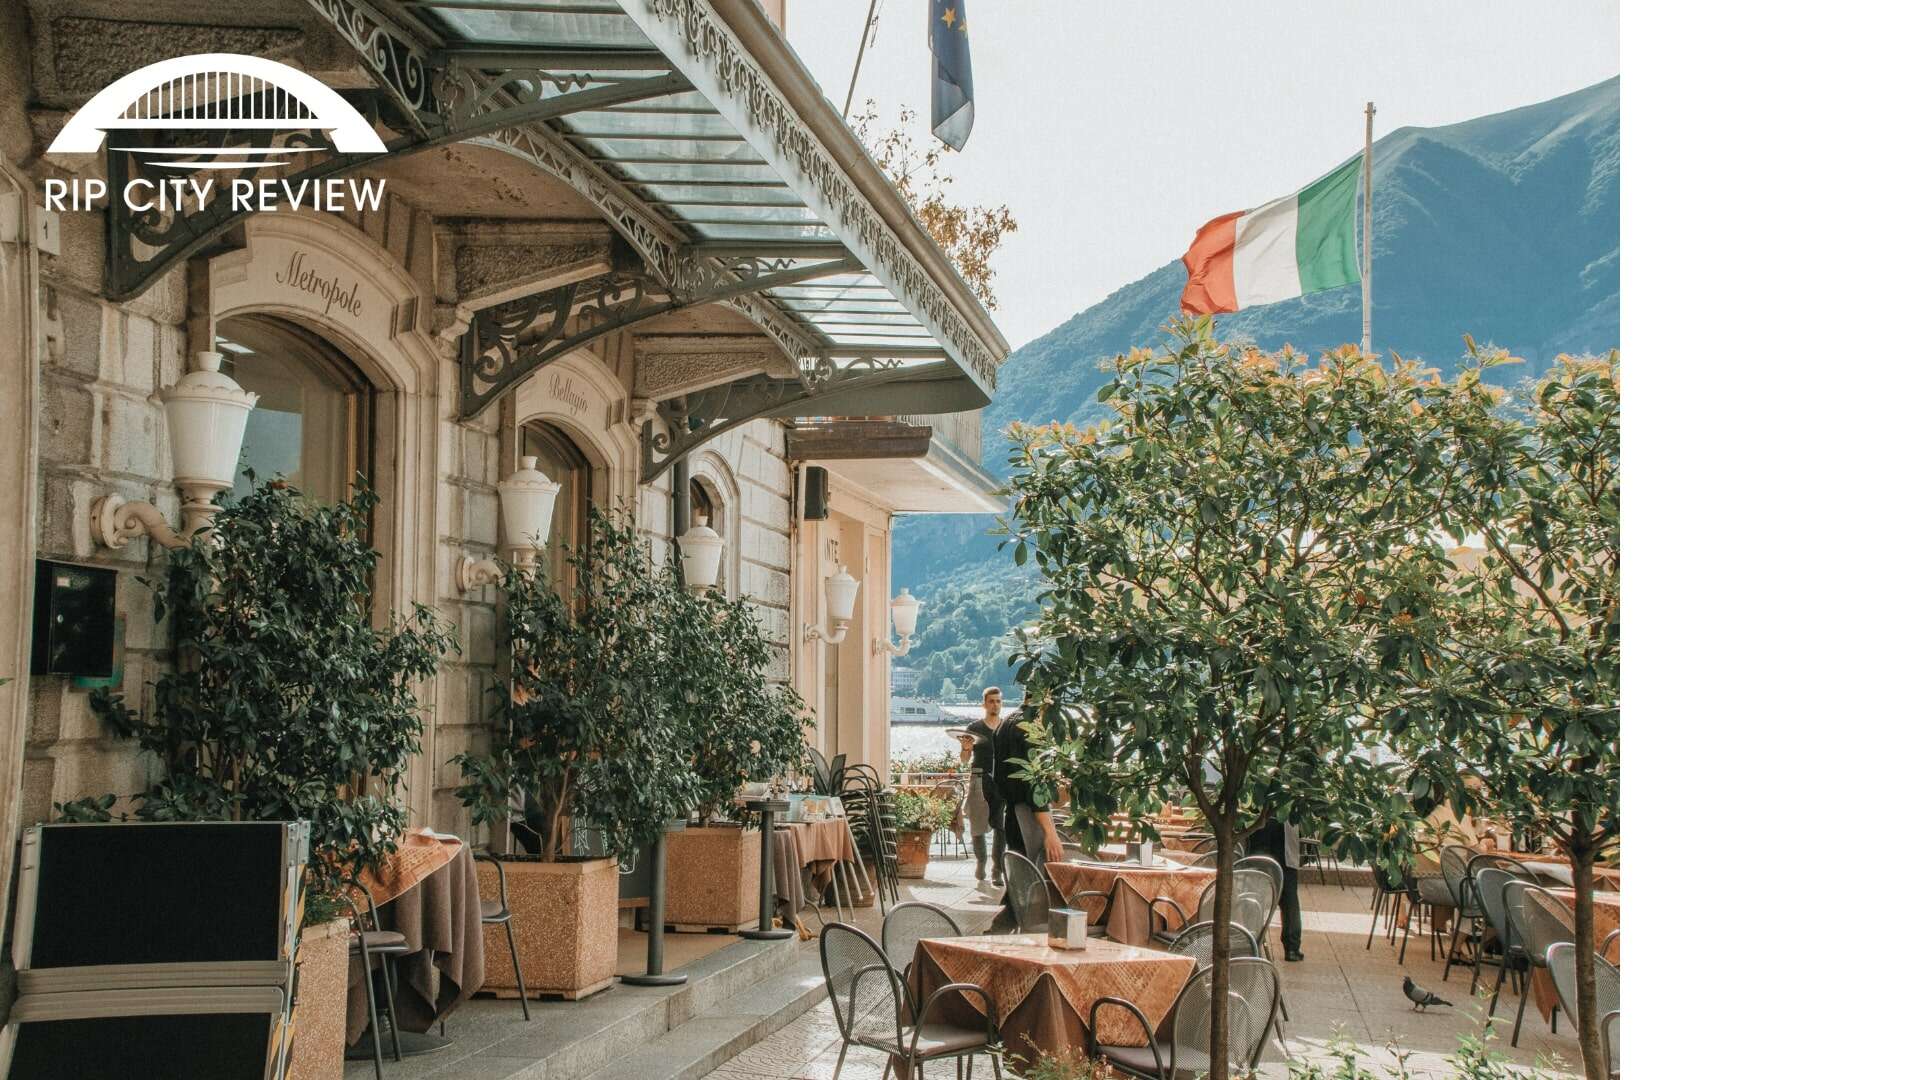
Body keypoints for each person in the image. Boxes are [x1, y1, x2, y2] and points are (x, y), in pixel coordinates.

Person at [990, 698, 1064, 928]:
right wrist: (1050, 832)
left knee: (1022, 882)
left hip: (1012, 812)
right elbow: (1035, 785)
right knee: (1033, 883)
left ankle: (998, 934)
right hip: (1028, 816)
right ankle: (1000, 935)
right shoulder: (1030, 727)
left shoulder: (1004, 723)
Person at [955, 688, 1004, 884]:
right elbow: (964, 760)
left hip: (1001, 781)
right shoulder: (974, 728)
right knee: (977, 826)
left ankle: (997, 870)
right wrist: (966, 749)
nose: (995, 705)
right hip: (978, 779)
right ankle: (981, 861)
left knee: (1001, 828)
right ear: (984, 704)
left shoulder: (1006, 727)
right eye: (991, 701)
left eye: (998, 701)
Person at [1248, 816, 1304, 961]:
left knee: (1254, 893)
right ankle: (1292, 948)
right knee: (1289, 896)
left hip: (1259, 828)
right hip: (1285, 828)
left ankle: (1250, 940)